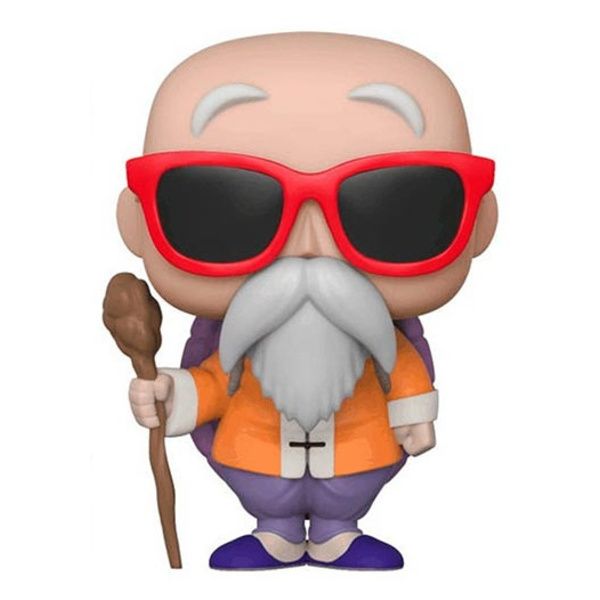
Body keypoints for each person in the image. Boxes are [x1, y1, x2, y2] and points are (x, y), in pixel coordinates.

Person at [118, 32, 497, 570]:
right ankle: (274, 531)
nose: (309, 249)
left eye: (396, 205)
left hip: (360, 456)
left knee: (347, 494)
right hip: (254, 457)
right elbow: (213, 385)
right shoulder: (238, 350)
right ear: (137, 224)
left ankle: (338, 531)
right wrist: (166, 392)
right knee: (266, 495)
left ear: (479, 224)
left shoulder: (382, 346)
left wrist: (414, 414)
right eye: (222, 205)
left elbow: (402, 374)